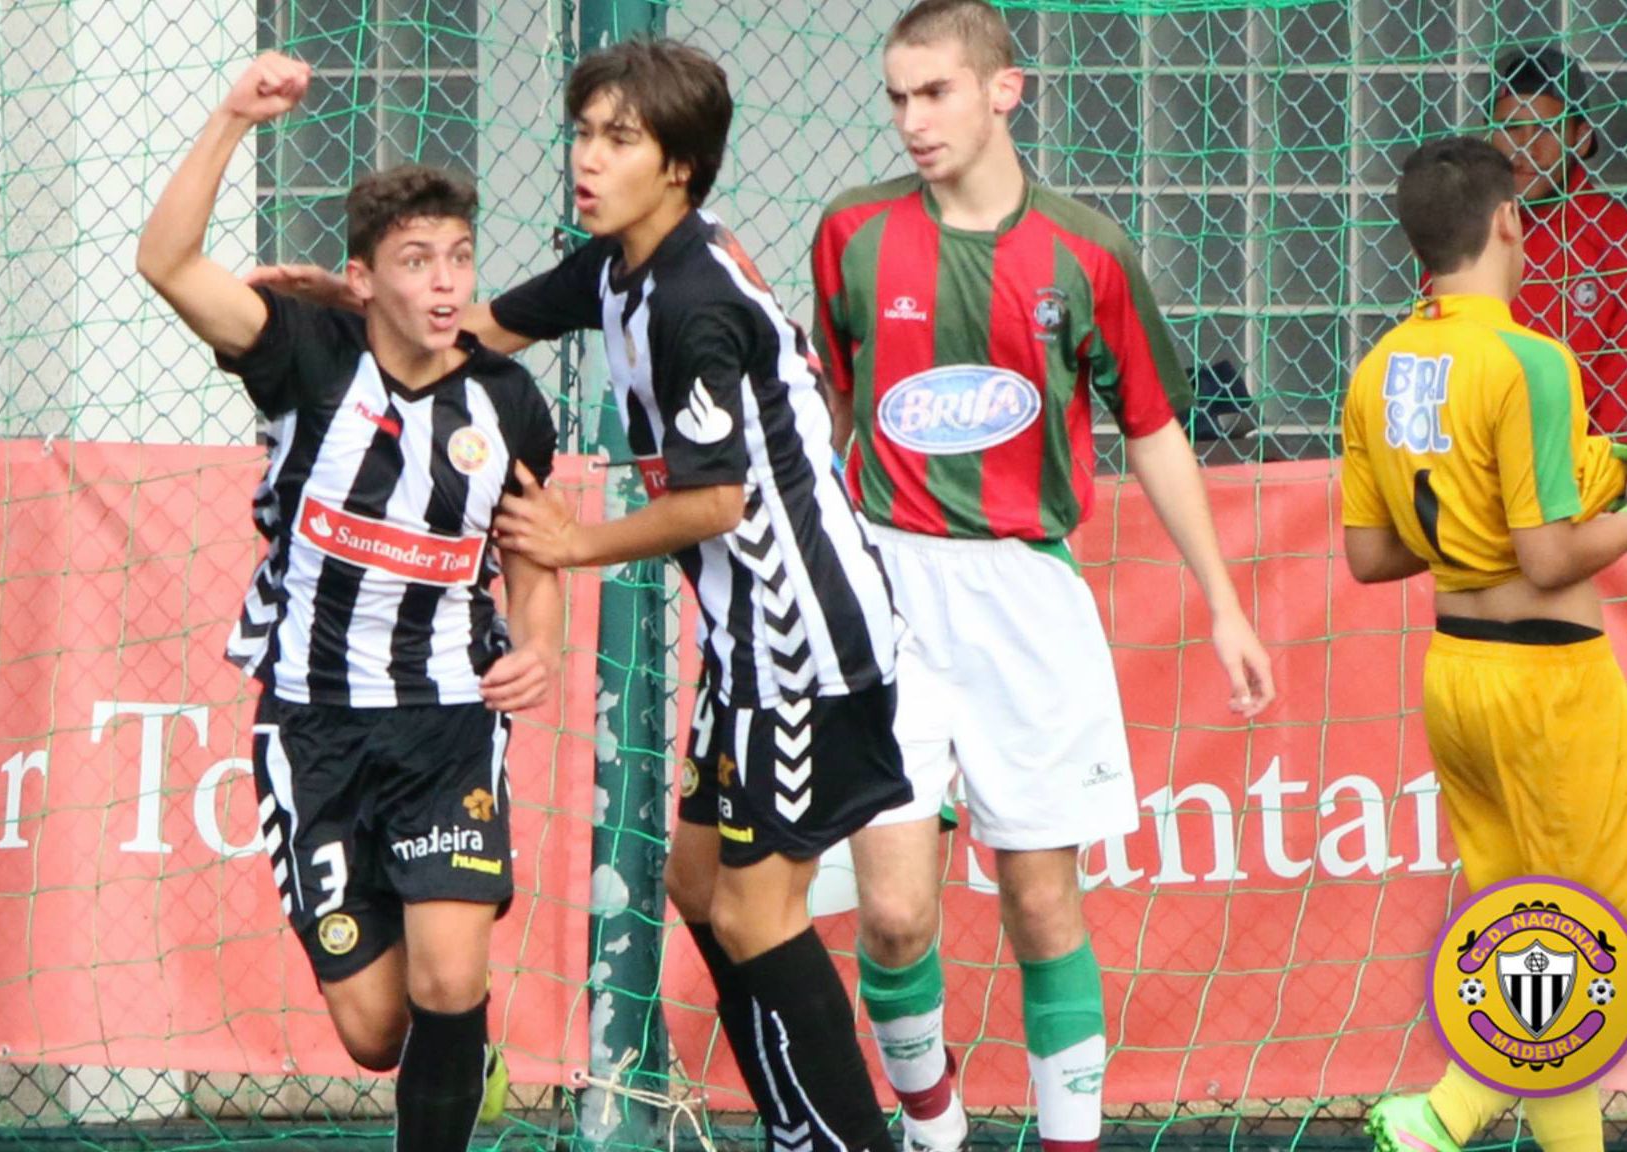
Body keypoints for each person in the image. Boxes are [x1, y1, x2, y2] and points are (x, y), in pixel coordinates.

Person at [250, 38, 914, 1152]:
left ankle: (844, 1142)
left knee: (756, 913)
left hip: (807, 640)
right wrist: (358, 315)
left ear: (680, 167)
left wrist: (576, 542)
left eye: (619, 139)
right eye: (584, 133)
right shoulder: (617, 264)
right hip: (746, 643)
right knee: (699, 889)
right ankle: (802, 1129)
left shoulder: (692, 299)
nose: (587, 158)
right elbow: (478, 330)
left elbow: (715, 502)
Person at [809, 4, 1276, 1151]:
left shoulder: (1086, 250)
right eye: (897, 97)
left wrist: (1222, 603)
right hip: (885, 595)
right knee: (892, 914)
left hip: (1024, 598)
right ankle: (933, 1128)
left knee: (1037, 902)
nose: (912, 120)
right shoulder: (853, 232)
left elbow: (1152, 427)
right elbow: (831, 410)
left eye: (935, 92)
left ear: (1002, 91)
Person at [137, 52, 563, 1150]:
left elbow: (533, 550)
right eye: (416, 261)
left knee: (449, 979)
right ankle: (459, 1057)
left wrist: (538, 640)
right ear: (363, 280)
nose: (444, 282)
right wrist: (233, 115)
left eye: (459, 258)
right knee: (379, 1033)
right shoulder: (304, 355)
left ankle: (453, 1051)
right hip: (312, 724)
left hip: (447, 719)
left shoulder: (507, 401)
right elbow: (166, 261)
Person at [1343, 135, 1627, 1152]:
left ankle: (1455, 1117)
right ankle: (1446, 1114)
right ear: (1511, 220)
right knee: (1589, 932)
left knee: (1534, 932)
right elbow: (1548, 557)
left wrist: (1469, 528)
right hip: (1548, 682)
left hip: (1456, 675)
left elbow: (1369, 554)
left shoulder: (1378, 366)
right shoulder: (1530, 360)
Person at [1487, 46, 1627, 436]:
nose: (1525, 148)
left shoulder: (1615, 237)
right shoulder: (1470, 230)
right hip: (1476, 463)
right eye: (1510, 127)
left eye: (1546, 129)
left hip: (1581, 467)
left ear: (1580, 138)